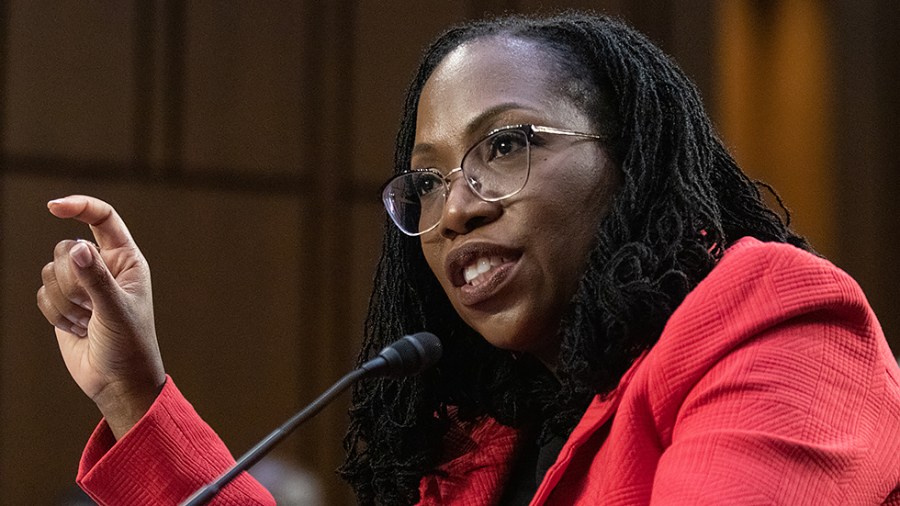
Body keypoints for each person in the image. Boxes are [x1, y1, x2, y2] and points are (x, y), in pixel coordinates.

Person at [37, 12, 900, 506]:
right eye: (427, 181)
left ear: (628, 161)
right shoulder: (481, 443)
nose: (456, 209)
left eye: (508, 145)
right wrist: (133, 395)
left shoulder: (774, 317)